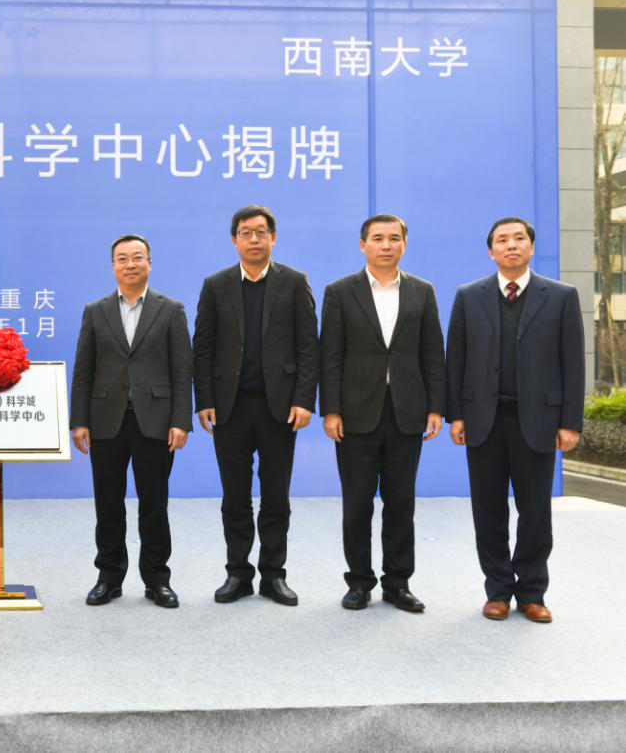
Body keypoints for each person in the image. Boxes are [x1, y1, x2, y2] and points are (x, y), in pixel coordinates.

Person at [446, 217, 584, 623]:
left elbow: (573, 363)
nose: (511, 245)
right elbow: (456, 360)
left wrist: (570, 421)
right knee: (488, 511)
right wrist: (456, 415)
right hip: (483, 421)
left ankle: (532, 592)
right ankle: (498, 591)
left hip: (538, 422)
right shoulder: (468, 296)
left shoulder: (560, 296)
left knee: (536, 512)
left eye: (519, 238)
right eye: (502, 240)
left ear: (531, 247)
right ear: (491, 252)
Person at [193, 205, 319, 607]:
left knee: (276, 496)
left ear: (273, 238)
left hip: (279, 408)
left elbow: (308, 347)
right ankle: (237, 573)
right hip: (229, 407)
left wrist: (304, 399)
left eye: (261, 232)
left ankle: (273, 575)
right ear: (234, 240)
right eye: (245, 233)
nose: (253, 239)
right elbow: (203, 348)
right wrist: (204, 400)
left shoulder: (294, 282)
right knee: (235, 497)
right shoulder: (215, 285)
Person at [319, 214, 445, 613]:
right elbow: (330, 356)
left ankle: (398, 583)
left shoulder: (422, 291)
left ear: (404, 243)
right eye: (377, 238)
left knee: (400, 503)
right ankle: (359, 582)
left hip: (407, 412)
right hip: (355, 414)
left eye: (394, 238)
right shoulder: (340, 292)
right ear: (363, 245)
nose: (386, 245)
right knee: (357, 504)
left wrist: (436, 407)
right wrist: (331, 410)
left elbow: (432, 353)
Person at [70, 234, 193, 609]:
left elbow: (182, 370)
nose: (130, 264)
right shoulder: (96, 311)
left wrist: (180, 421)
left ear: (149, 263)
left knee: (154, 504)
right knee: (108, 504)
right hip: (105, 422)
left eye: (137, 257)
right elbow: (84, 370)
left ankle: (157, 579)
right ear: (113, 267)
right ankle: (109, 578)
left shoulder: (171, 310)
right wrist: (79, 420)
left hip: (155, 422)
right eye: (122, 258)